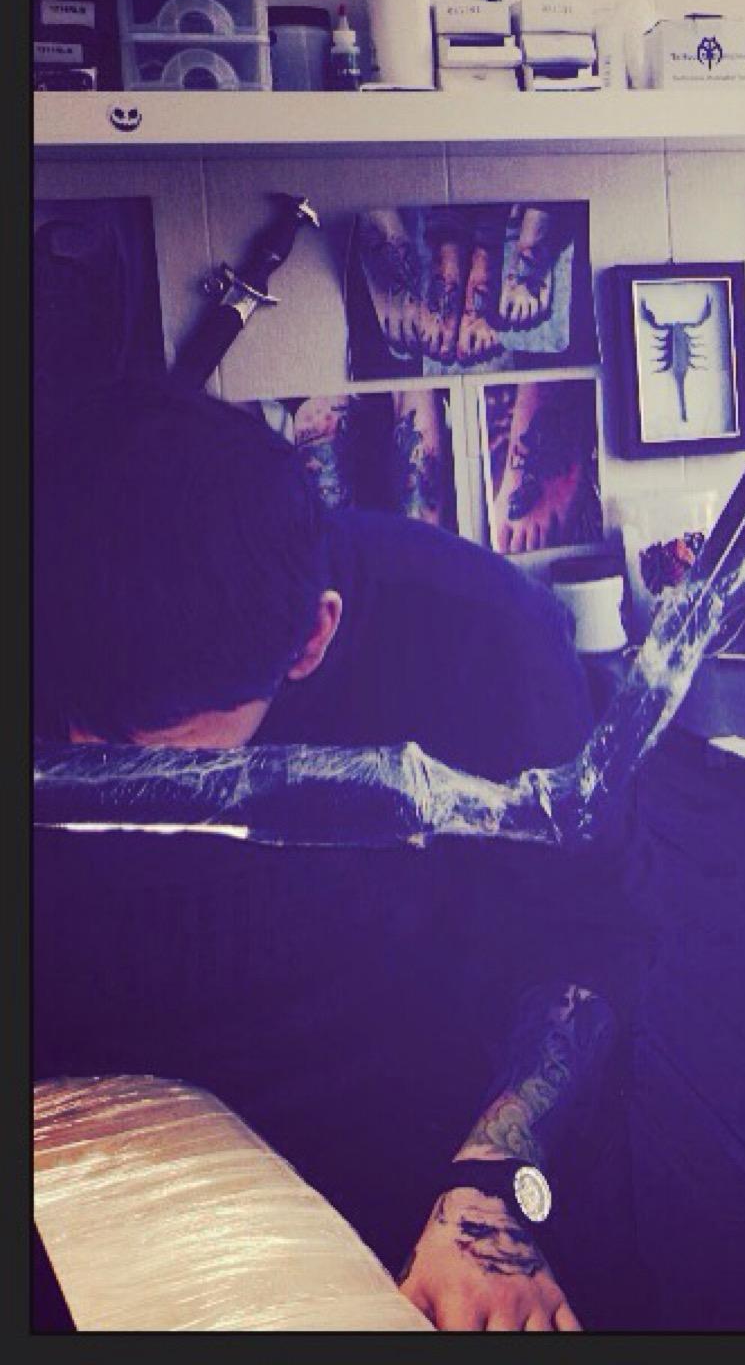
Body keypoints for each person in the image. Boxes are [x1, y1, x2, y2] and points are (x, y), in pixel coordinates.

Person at [32, 379, 644, 1331]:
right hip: (116, 1150)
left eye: (166, 756)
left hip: (427, 1165)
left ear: (312, 638)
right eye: (83, 737)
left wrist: (493, 1191)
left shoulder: (481, 634)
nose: (105, 765)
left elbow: (586, 952)